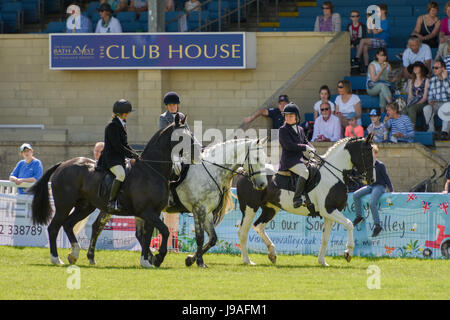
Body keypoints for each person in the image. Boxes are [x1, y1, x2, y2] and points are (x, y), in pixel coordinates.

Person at [97, 99, 140, 213]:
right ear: (124, 113)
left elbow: (125, 144)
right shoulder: (112, 126)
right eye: (128, 113)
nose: (129, 115)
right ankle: (111, 202)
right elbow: (117, 146)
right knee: (121, 174)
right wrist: (131, 154)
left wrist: (135, 154)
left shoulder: (122, 124)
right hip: (110, 159)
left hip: (119, 158)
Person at [278, 103, 315, 208]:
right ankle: (297, 198)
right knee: (305, 172)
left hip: (300, 160)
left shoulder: (300, 129)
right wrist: (305, 147)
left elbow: (306, 141)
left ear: (296, 117)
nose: (288, 118)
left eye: (291, 116)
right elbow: (289, 146)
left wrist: (312, 149)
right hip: (289, 161)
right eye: (286, 116)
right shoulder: (283, 130)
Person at [352, 144, 393, 238]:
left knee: (372, 202)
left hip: (379, 186)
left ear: (376, 154)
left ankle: (377, 225)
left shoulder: (380, 165)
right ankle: (359, 216)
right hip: (371, 186)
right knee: (356, 195)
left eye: (372, 153)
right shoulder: (368, 166)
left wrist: (391, 189)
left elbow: (386, 177)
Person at [351, 4, 389, 74]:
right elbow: (369, 31)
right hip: (376, 41)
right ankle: (366, 67)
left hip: (382, 41)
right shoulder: (377, 21)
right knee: (365, 47)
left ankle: (356, 59)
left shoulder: (385, 22)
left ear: (384, 11)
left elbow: (376, 32)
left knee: (362, 40)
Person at [423, 60, 450, 140]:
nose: (434, 69)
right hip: (436, 103)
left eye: (436, 68)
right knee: (426, 108)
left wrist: (445, 79)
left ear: (443, 68)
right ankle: (431, 131)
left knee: (448, 108)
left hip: (447, 103)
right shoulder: (432, 79)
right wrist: (430, 101)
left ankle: (444, 132)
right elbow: (430, 94)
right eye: (433, 67)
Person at [366, 47, 393, 113]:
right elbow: (374, 80)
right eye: (381, 55)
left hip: (383, 87)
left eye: (384, 56)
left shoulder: (388, 65)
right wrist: (382, 69)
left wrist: (392, 76)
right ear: (377, 55)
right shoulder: (372, 65)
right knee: (382, 85)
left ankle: (382, 113)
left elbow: (389, 80)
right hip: (371, 88)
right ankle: (392, 105)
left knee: (382, 92)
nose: (383, 58)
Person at [404, 61, 430, 128]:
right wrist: (409, 103)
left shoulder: (426, 80)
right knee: (404, 110)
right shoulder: (411, 81)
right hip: (413, 101)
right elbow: (410, 96)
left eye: (417, 66)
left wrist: (415, 104)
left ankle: (412, 128)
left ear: (421, 69)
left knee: (411, 108)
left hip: (423, 103)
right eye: (414, 67)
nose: (415, 68)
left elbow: (424, 98)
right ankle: (403, 129)